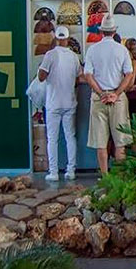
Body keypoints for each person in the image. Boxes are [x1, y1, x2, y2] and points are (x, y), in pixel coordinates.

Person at [84, 14, 134, 174]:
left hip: (99, 99)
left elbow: (88, 75)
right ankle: (120, 179)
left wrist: (100, 93)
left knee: (101, 143)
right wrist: (117, 93)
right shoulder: (122, 50)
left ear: (101, 31)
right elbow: (128, 75)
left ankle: (105, 177)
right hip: (117, 99)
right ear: (114, 31)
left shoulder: (92, 50)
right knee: (120, 143)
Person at [38, 26, 82, 181]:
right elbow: (78, 79)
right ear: (68, 39)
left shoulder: (50, 55)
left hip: (53, 103)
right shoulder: (73, 57)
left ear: (56, 38)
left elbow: (41, 77)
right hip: (69, 102)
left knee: (52, 138)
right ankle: (71, 171)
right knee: (70, 137)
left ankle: (54, 172)